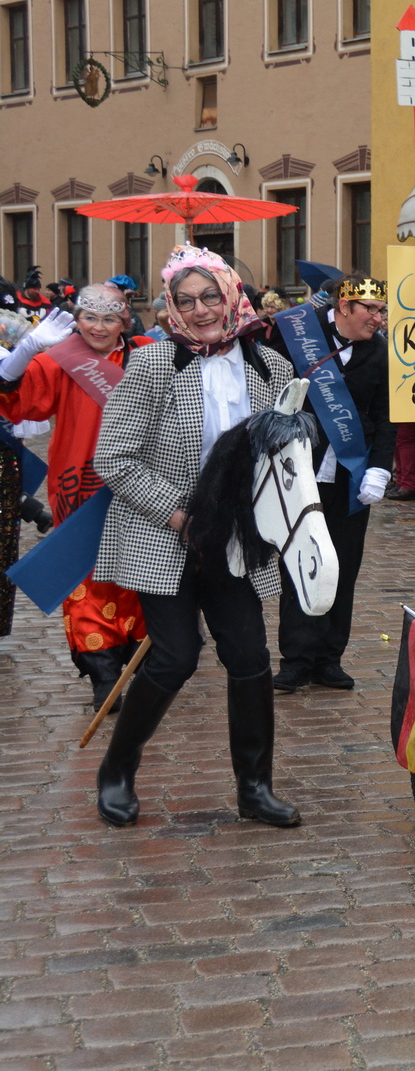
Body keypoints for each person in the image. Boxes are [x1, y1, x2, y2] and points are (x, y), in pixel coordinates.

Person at [91, 244, 303, 828]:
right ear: (170, 309)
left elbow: (280, 458)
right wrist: (179, 515)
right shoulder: (154, 364)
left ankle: (255, 788)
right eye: (186, 301)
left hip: (234, 536)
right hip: (164, 531)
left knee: (250, 658)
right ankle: (117, 770)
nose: (202, 309)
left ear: (232, 293)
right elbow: (114, 456)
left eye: (211, 295)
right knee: (175, 656)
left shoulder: (272, 368)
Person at [0, 284, 150, 706]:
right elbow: (18, 401)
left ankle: (136, 658)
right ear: (76, 319)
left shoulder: (146, 354)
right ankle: (103, 673)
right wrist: (25, 352)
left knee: (138, 572)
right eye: (89, 318)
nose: (98, 328)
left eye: (108, 319)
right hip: (80, 483)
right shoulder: (60, 360)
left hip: (140, 483)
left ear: (125, 320)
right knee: (85, 578)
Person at [272, 276, 394, 693]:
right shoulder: (298, 339)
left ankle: (329, 658)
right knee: (300, 563)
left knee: (343, 565)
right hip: (298, 473)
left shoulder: (379, 352)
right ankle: (296, 658)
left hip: (349, 477)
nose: (379, 318)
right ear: (344, 307)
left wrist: (380, 468)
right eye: (372, 310)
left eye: (382, 310)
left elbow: (385, 417)